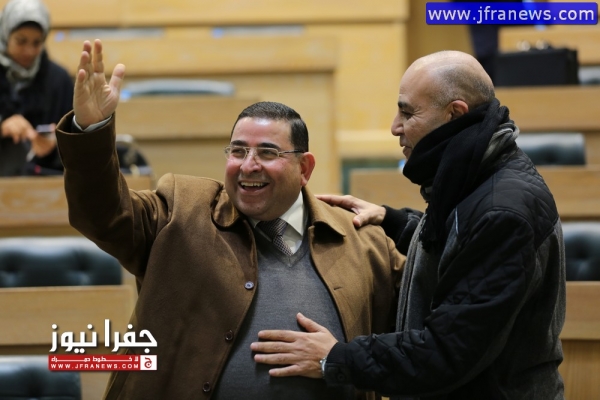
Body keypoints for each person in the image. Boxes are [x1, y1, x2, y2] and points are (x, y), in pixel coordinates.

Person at [55, 39, 403, 399]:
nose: (248, 165)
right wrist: (91, 132)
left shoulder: (364, 242)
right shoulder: (180, 210)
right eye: (238, 151)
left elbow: (425, 340)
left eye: (267, 152)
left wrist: (340, 359)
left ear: (304, 168)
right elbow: (103, 215)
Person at [251, 50, 566, 400]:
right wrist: (396, 222)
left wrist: (336, 358)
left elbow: (447, 352)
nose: (394, 127)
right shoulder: (477, 173)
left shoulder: (503, 212)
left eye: (407, 112)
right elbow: (461, 246)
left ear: (454, 114)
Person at [0, 0, 73, 176]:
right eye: (21, 41)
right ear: (5, 35)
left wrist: (56, 145)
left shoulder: (59, 80)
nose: (29, 51)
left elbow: (75, 145)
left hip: (45, 182)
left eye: (37, 42)